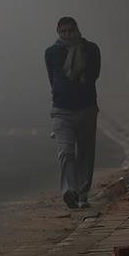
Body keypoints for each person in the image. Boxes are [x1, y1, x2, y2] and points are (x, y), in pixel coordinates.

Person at [45, 16, 101, 210]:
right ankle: (71, 191)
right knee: (66, 152)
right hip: (61, 110)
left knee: (86, 152)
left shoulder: (91, 49)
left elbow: (94, 74)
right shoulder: (52, 53)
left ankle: (83, 194)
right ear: (58, 32)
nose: (67, 35)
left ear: (76, 29)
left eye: (70, 31)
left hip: (86, 107)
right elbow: (53, 79)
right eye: (63, 32)